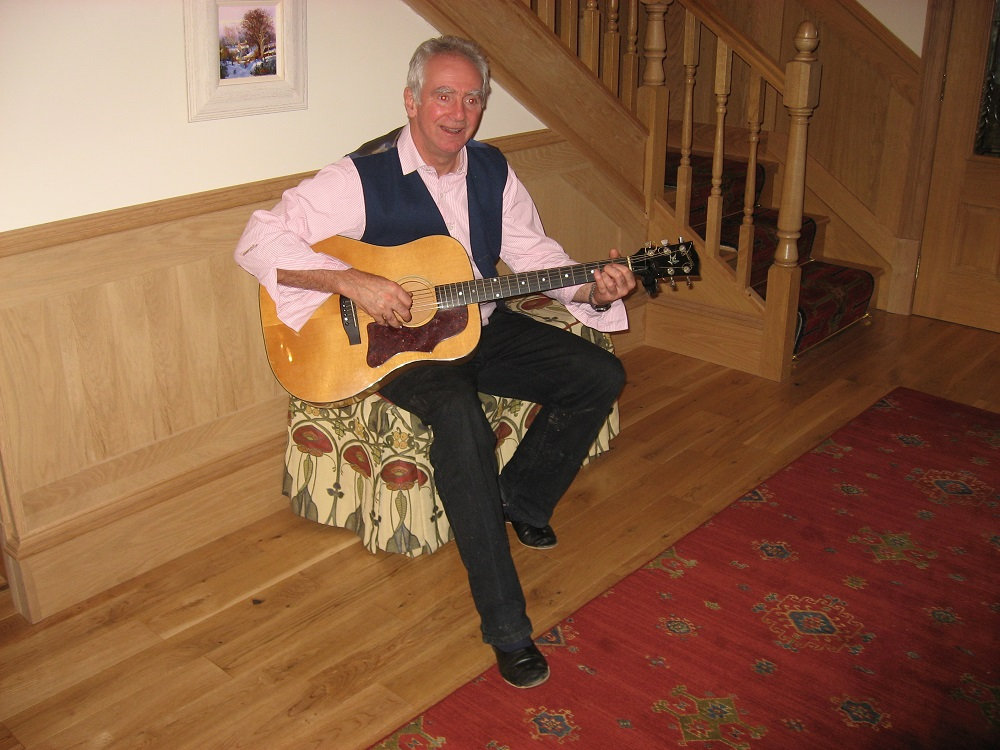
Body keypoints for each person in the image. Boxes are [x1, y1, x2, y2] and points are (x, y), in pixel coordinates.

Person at [235, 35, 636, 688]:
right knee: (459, 418)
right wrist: (351, 281)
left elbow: (533, 252)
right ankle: (506, 626)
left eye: (472, 99)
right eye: (444, 95)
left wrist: (592, 289)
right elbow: (257, 239)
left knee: (599, 376)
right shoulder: (360, 177)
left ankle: (519, 498)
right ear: (412, 100)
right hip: (397, 348)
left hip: (480, 323)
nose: (458, 112)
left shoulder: (492, 170)